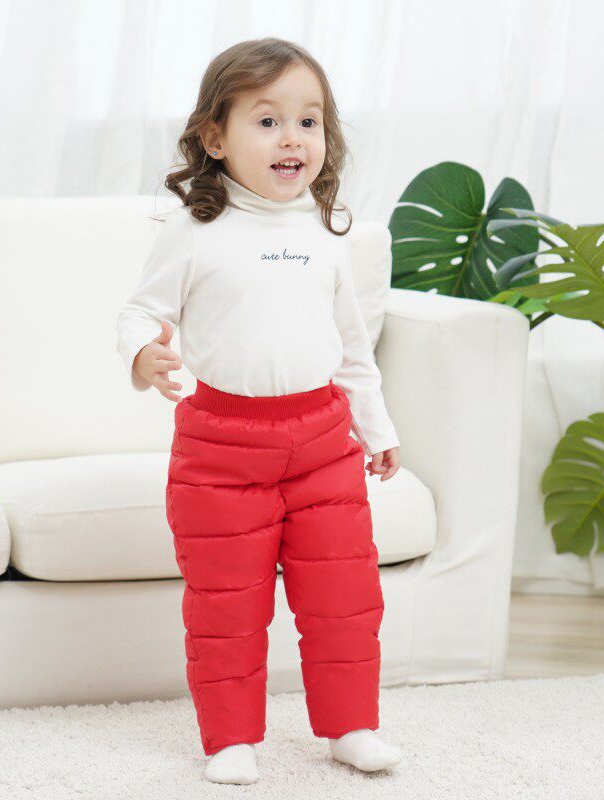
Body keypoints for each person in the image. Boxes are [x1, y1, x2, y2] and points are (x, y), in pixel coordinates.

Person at [115, 37, 402, 785]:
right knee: (227, 606)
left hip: (322, 443)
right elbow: (140, 311)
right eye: (267, 121)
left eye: (309, 121)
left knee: (344, 599)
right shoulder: (194, 230)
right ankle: (230, 739)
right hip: (220, 448)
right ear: (215, 138)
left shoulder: (324, 232)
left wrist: (377, 428)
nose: (292, 139)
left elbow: (351, 346)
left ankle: (352, 728)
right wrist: (143, 354)